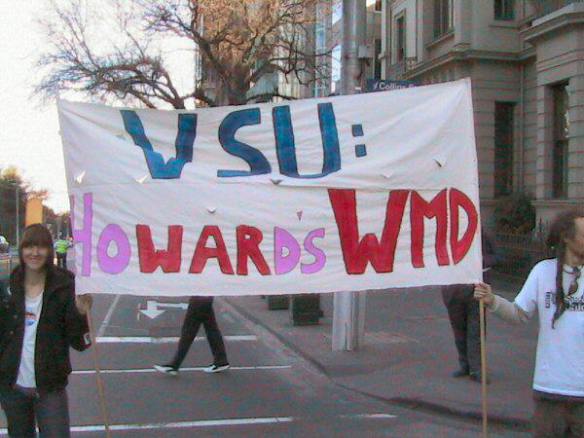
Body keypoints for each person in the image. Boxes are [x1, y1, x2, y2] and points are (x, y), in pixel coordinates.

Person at [474, 208, 584, 437]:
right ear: (566, 236)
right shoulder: (543, 272)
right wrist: (492, 301)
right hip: (550, 390)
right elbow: (518, 314)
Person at [0, 224, 93, 437]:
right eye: (29, 247)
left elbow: (80, 343)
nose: (35, 253)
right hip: (13, 387)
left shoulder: (66, 286)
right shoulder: (7, 287)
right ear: (21, 250)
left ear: (49, 251)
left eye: (41, 247)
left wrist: (80, 312)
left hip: (50, 386)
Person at [441, 229, 498, 382]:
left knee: (476, 331)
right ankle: (464, 364)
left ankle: (477, 368)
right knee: (459, 330)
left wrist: (479, 262)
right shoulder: (447, 234)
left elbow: (495, 257)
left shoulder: (482, 234)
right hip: (453, 290)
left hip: (476, 290)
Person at [154, 296, 229, 375]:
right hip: (204, 294)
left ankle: (174, 364)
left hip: (201, 294)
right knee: (210, 326)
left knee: (190, 327)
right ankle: (221, 360)